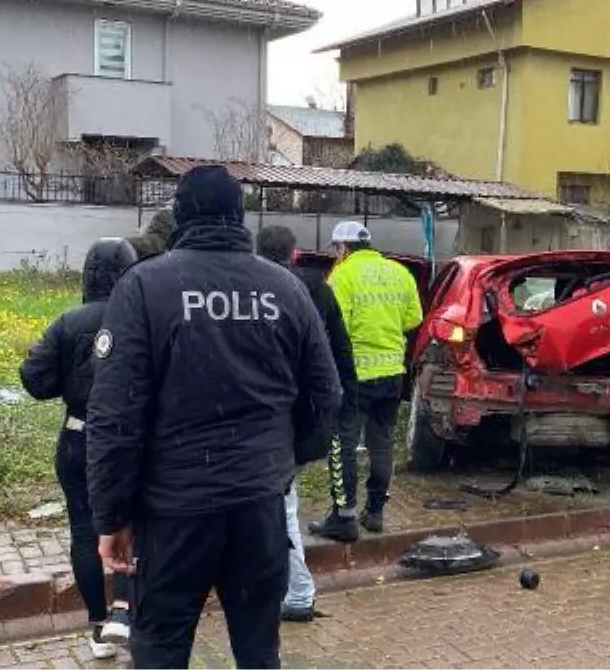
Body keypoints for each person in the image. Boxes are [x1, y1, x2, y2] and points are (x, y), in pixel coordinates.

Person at [85, 165, 342, 668]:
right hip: (258, 507)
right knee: (259, 650)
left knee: (160, 649)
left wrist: (111, 516)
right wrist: (280, 464)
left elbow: (115, 414)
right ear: (237, 216)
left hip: (175, 513)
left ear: (180, 215)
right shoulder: (285, 289)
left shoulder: (145, 286)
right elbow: (326, 397)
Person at [19, 237, 139, 660]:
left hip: (77, 436)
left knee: (84, 532)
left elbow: (34, 379)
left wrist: (71, 382)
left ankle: (96, 626)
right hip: (128, 440)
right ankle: (125, 612)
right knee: (133, 526)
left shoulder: (67, 322)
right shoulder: (140, 317)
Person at [256, 225, 357, 622]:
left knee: (279, 510)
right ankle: (283, 587)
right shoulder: (314, 288)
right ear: (293, 253)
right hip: (301, 418)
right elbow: (339, 351)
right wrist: (343, 403)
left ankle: (297, 592)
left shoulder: (255, 290)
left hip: (268, 421)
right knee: (279, 506)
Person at [309, 221, 423, 542]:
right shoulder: (400, 273)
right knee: (382, 443)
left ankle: (343, 516)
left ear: (343, 248)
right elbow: (413, 319)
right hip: (392, 375)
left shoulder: (343, 275)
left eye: (336, 249)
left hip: (356, 377)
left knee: (342, 443)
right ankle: (375, 512)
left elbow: (331, 323)